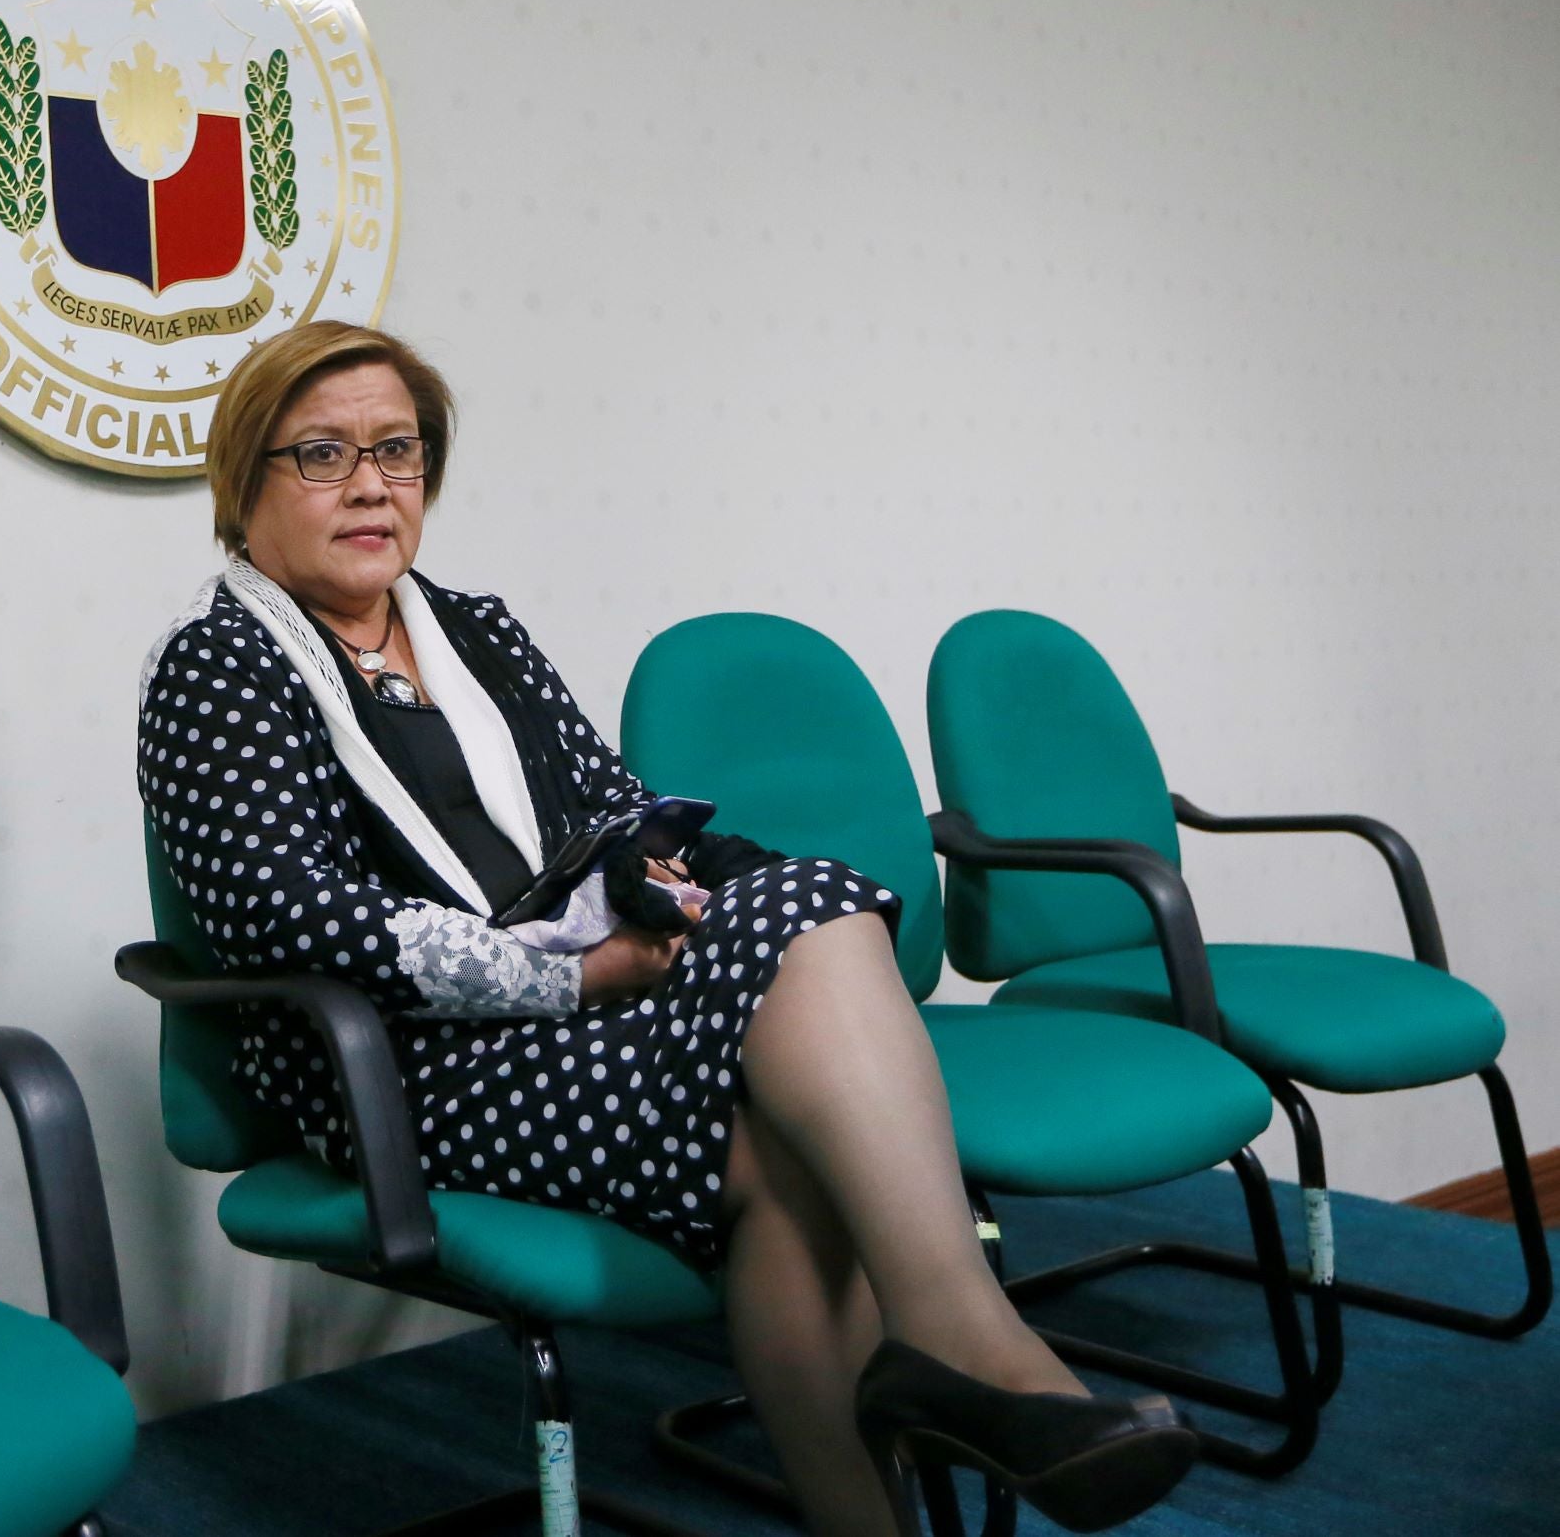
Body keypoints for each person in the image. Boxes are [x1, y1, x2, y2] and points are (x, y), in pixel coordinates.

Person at [135, 322, 1195, 1536]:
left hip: (580, 1009)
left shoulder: (467, 626)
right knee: (789, 1140)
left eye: (398, 449)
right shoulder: (215, 667)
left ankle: (938, 1382)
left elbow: (612, 811)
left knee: (808, 900)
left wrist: (691, 901)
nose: (371, 483)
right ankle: (960, 1357)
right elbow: (289, 919)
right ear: (244, 476)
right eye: (322, 453)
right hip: (393, 1059)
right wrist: (578, 975)